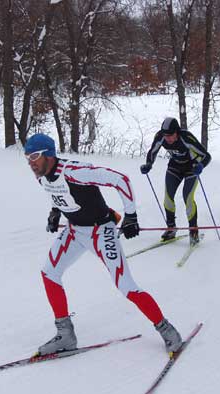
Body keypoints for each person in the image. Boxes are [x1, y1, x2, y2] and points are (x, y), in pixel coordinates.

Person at [24, 133, 182, 356]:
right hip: (75, 231)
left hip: (101, 230)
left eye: (35, 156)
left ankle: (168, 331)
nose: (31, 162)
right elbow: (57, 192)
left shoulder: (76, 171)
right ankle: (66, 334)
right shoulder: (41, 175)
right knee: (49, 272)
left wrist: (131, 216)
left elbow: (121, 180)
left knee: (126, 286)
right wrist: (55, 212)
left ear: (49, 155)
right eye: (27, 157)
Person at [139, 118, 211, 245]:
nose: (168, 139)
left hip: (191, 169)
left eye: (171, 135)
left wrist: (200, 166)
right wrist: (148, 164)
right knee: (168, 197)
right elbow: (153, 151)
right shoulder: (161, 136)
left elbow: (206, 156)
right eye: (166, 135)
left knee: (187, 198)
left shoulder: (186, 137)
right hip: (175, 167)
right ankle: (171, 228)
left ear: (176, 132)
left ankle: (193, 231)